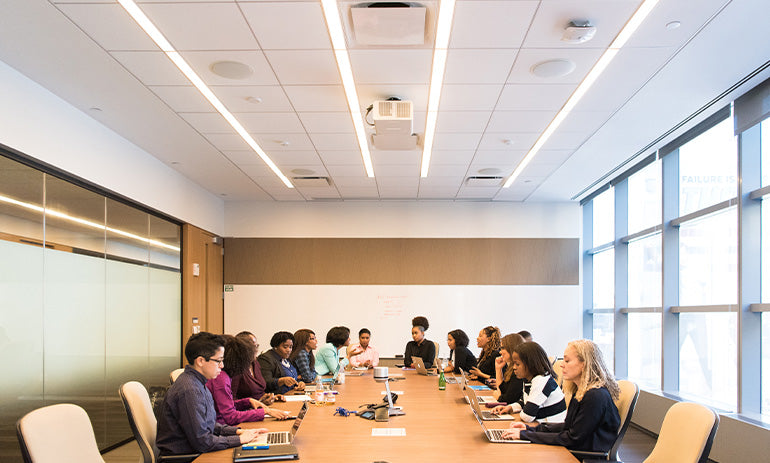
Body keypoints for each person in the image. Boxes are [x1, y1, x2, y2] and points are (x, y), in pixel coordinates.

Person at [502, 340, 621, 454]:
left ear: (583, 365)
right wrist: (529, 430)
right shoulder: (582, 391)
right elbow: (568, 427)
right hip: (575, 451)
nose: (562, 365)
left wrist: (524, 435)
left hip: (582, 456)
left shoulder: (595, 396)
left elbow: (571, 438)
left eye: (567, 361)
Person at [156, 332, 264, 455]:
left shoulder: (199, 382)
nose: (222, 366)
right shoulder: (190, 390)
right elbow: (202, 441)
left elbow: (209, 424)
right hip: (188, 457)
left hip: (197, 451)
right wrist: (239, 439)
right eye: (219, 361)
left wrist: (238, 432)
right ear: (201, 361)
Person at [206, 335, 290, 425]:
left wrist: (248, 401)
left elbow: (227, 405)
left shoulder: (224, 375)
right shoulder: (221, 378)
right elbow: (230, 416)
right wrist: (265, 412)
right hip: (223, 428)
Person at [491, 341, 567, 423]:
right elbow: (523, 402)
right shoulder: (528, 380)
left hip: (552, 430)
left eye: (517, 364)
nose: (514, 367)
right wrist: (510, 408)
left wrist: (523, 411)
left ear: (531, 364)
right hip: (541, 426)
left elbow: (527, 416)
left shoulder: (540, 381)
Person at [230, 331, 278, 405]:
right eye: (254, 347)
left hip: (262, 408)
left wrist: (270, 397)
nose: (256, 350)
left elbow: (259, 392)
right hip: (247, 412)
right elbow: (231, 400)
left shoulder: (255, 363)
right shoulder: (236, 367)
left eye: (257, 346)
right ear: (243, 348)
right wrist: (256, 404)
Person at [492, 333, 526, 404]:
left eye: (502, 348)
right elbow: (502, 390)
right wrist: (498, 369)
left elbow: (508, 399)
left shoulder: (520, 370)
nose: (500, 352)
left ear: (511, 348)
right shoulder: (511, 367)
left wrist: (499, 397)